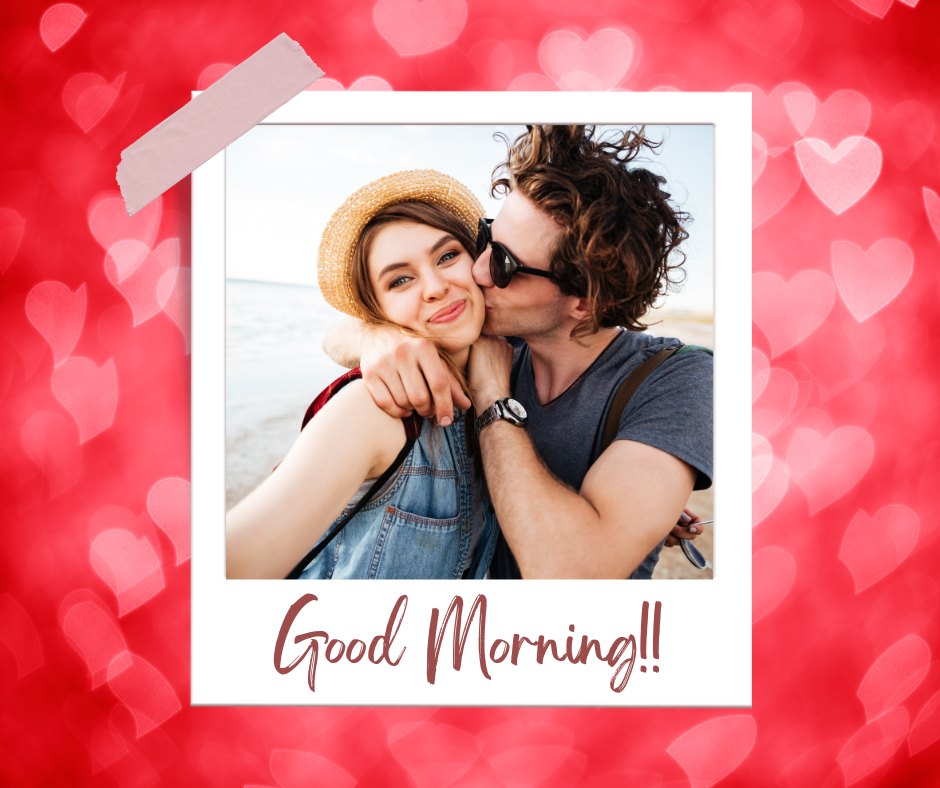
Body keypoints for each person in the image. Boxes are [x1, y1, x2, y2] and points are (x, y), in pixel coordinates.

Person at [325, 125, 713, 579]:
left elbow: (569, 573)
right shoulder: (493, 331)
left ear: (587, 302)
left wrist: (493, 399)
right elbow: (334, 335)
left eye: (506, 264)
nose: (478, 269)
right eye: (485, 237)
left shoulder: (681, 380)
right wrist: (379, 339)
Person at [226, 170, 499, 579]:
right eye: (400, 280)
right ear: (377, 312)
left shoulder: (513, 363)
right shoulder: (373, 408)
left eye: (447, 256)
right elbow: (237, 557)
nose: (435, 287)